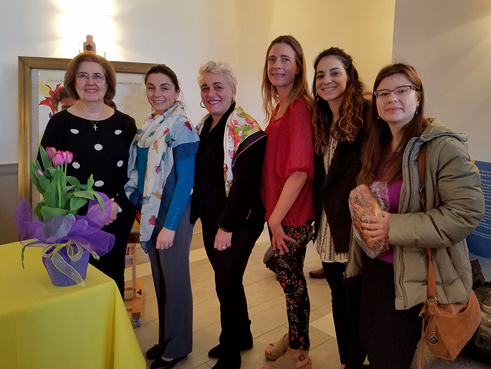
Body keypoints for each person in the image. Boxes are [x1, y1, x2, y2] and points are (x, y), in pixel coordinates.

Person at [345, 63, 484, 369]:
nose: (391, 98)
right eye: (383, 93)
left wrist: (392, 226)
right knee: (370, 339)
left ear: (418, 98)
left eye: (402, 90)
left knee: (391, 354)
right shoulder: (377, 145)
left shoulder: (442, 147)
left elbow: (465, 213)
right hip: (375, 266)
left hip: (416, 275)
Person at [40, 51, 136, 296]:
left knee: (112, 277)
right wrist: (88, 211)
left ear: (107, 84)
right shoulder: (59, 123)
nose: (90, 82)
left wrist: (112, 209)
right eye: (83, 75)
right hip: (74, 219)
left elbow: (135, 174)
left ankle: (112, 332)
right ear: (73, 81)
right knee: (76, 281)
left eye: (97, 76)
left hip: (117, 214)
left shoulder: (126, 124)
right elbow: (48, 177)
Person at [191, 61, 266, 369]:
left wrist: (226, 226)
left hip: (240, 220)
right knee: (229, 280)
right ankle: (243, 333)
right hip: (213, 217)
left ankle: (230, 351)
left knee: (225, 282)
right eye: (205, 87)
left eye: (218, 86)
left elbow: (246, 186)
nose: (211, 93)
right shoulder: (204, 125)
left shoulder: (247, 129)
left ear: (233, 90)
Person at [125, 65, 199, 369]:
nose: (157, 93)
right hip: (152, 215)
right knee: (160, 279)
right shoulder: (150, 124)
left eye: (165, 87)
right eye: (151, 87)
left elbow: (185, 182)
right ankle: (168, 338)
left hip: (173, 217)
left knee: (177, 280)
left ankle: (178, 346)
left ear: (177, 92)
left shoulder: (181, 125)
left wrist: (169, 226)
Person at [311, 47, 369, 369]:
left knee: (355, 302)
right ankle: (347, 361)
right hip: (327, 227)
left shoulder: (366, 115)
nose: (327, 80)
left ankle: (354, 361)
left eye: (335, 72)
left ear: (349, 76)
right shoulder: (321, 120)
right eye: (320, 75)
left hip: (353, 228)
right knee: (337, 298)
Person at [260, 35, 314, 369]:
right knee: (286, 279)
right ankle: (294, 336)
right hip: (279, 212)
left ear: (298, 67)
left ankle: (300, 348)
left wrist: (276, 220)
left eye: (285, 59)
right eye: (272, 59)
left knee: (292, 282)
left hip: (290, 215)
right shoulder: (279, 105)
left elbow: (299, 172)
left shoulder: (298, 107)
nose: (277, 65)